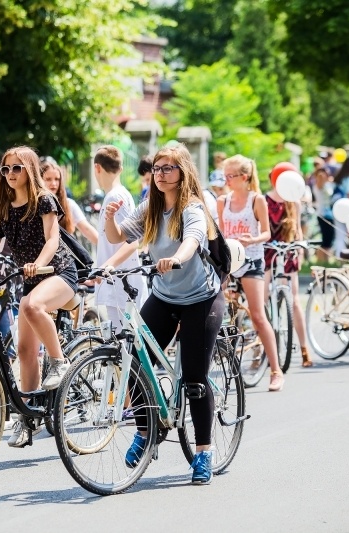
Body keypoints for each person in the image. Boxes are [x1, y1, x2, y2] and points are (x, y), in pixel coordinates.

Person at [104, 142, 224, 485]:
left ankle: (203, 452)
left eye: (168, 168)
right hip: (166, 296)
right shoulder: (151, 207)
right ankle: (147, 431)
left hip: (201, 297)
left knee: (195, 379)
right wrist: (111, 217)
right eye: (157, 168)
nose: (160, 174)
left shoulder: (192, 206)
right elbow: (118, 237)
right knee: (135, 361)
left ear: (182, 172)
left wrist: (179, 257)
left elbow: (195, 237)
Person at [0, 146, 78, 447]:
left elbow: (53, 238)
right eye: (6, 169)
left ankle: (59, 362)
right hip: (31, 278)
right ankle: (29, 419)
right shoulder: (5, 203)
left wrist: (39, 263)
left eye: (16, 168)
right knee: (25, 351)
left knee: (31, 304)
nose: (10, 174)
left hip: (58, 272)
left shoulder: (44, 200)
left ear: (29, 169)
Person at [218, 154, 283, 392]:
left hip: (252, 259)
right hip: (229, 261)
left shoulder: (257, 200)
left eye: (230, 176)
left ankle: (276, 370)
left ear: (244, 178)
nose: (226, 180)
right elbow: (222, 234)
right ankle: (228, 369)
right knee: (226, 316)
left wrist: (252, 239)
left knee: (257, 315)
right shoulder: (222, 201)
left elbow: (266, 233)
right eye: (225, 176)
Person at [93, 145, 148, 327]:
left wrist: (108, 265)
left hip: (122, 283)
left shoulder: (115, 197)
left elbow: (132, 242)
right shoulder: (116, 195)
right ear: (121, 169)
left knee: (128, 347)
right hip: (118, 283)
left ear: (97, 168)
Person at [264, 169, 313, 367]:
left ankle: (304, 348)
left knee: (294, 299)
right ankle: (262, 349)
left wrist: (300, 250)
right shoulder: (264, 200)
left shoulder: (294, 201)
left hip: (288, 249)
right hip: (267, 249)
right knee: (264, 296)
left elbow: (298, 230)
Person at [40, 160, 98, 245]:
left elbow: (87, 229)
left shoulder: (69, 204)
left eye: (57, 179)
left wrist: (107, 248)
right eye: (48, 179)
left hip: (66, 256)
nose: (53, 183)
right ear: (40, 180)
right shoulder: (34, 206)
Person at [312, 166, 335, 262]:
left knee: (329, 239)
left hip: (329, 214)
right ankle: (321, 259)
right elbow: (321, 180)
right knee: (326, 239)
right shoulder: (318, 184)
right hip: (323, 214)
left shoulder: (328, 184)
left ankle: (325, 259)